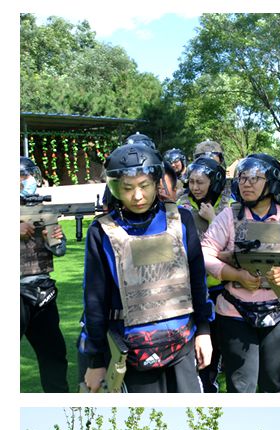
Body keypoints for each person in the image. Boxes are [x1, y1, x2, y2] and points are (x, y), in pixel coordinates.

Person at [80, 143, 213, 393]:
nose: (137, 196)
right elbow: (94, 299)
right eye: (128, 188)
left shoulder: (181, 220)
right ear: (116, 188)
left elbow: (198, 281)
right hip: (132, 351)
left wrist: (204, 331)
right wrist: (95, 361)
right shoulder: (101, 232)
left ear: (156, 182)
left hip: (183, 343)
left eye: (144, 186)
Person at [201, 154, 280, 393]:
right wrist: (234, 275)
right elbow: (205, 253)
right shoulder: (229, 216)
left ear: (273, 182)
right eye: (243, 178)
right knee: (241, 386)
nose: (246, 183)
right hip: (234, 310)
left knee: (275, 384)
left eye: (255, 178)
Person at [20, 156, 70, 392]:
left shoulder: (44, 211)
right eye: (20, 178)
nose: (25, 182)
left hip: (42, 292)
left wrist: (51, 237)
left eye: (28, 177)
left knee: (54, 357)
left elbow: (60, 250)